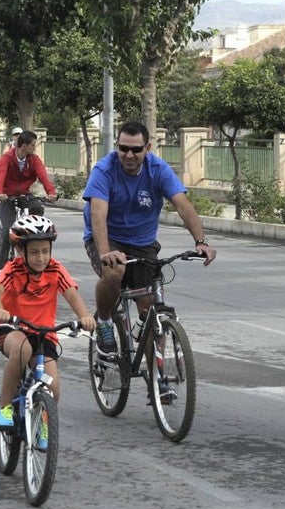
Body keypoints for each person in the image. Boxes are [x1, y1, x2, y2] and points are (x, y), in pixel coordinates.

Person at [83, 120, 216, 357]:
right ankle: (104, 322)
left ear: (148, 148)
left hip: (142, 243)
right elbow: (98, 215)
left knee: (150, 310)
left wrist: (200, 241)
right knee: (114, 271)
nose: (129, 155)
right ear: (117, 147)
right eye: (123, 148)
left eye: (136, 149)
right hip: (107, 237)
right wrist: (105, 252)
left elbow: (183, 205)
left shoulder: (158, 170)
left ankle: (158, 374)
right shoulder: (104, 170)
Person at [0, 215, 95, 440]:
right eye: (34, 252)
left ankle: (42, 420)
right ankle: (4, 410)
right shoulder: (13, 269)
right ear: (21, 251)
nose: (41, 258)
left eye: (45, 251)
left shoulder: (55, 269)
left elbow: (71, 294)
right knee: (22, 350)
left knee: (53, 388)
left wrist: (84, 316)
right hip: (12, 329)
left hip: (43, 333)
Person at [0, 129, 57, 271]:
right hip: (6, 196)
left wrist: (51, 192)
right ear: (24, 146)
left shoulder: (33, 159)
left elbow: (43, 176)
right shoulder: (6, 158)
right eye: (32, 145)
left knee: (37, 208)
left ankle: (30, 240)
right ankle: (0, 267)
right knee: (8, 230)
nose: (34, 148)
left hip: (24, 194)